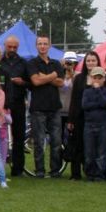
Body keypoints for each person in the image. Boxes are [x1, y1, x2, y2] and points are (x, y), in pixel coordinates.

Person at [67, 51, 106, 181]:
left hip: (100, 118)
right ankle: (76, 173)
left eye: (93, 60)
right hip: (80, 116)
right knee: (79, 145)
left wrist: (100, 103)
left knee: (99, 149)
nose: (91, 63)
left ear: (98, 62)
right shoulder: (79, 78)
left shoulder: (105, 78)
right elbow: (76, 100)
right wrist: (71, 119)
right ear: (85, 63)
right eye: (88, 61)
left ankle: (99, 173)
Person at [26, 35, 65, 178]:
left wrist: (45, 77)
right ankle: (40, 171)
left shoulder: (56, 63)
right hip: (38, 108)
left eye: (45, 44)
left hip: (54, 107)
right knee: (39, 141)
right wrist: (53, 75)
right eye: (40, 44)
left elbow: (61, 83)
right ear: (36, 46)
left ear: (49, 46)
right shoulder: (32, 63)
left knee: (56, 141)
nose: (42, 46)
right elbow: (35, 82)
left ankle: (55, 171)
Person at [0, 36, 29, 177]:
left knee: (19, 136)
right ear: (5, 45)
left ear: (18, 47)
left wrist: (22, 82)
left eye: (14, 47)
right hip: (1, 104)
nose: (12, 49)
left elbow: (30, 83)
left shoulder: (23, 63)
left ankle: (18, 169)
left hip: (18, 103)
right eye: (9, 46)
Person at [81, 67, 106, 181]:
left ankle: (100, 174)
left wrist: (98, 92)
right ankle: (90, 174)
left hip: (103, 124)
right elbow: (85, 105)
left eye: (100, 78)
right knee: (89, 152)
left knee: (102, 152)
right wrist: (101, 104)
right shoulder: (87, 91)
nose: (97, 80)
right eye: (95, 78)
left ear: (104, 79)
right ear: (91, 78)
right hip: (89, 124)